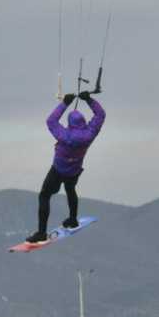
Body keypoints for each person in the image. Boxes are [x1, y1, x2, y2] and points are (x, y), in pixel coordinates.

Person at [26, 90, 106, 243]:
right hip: (75, 170)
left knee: (44, 195)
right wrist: (89, 100)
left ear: (69, 123)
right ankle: (73, 219)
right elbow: (100, 115)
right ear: (83, 122)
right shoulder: (90, 133)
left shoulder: (64, 135)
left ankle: (41, 233)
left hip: (58, 170)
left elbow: (51, 121)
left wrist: (64, 103)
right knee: (70, 189)